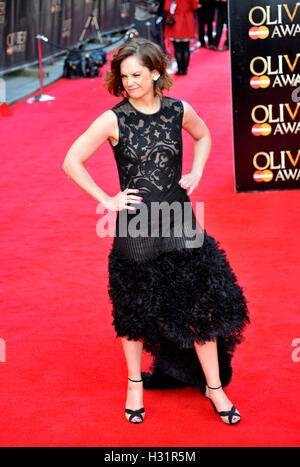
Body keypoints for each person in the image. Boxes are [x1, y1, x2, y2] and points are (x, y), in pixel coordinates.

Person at [62, 38, 249, 426]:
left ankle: (214, 386)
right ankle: (134, 384)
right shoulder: (113, 119)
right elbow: (72, 160)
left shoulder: (179, 110)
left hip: (179, 218)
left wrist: (196, 171)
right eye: (124, 76)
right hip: (137, 228)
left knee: (202, 304)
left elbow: (204, 136)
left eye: (137, 75)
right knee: (133, 311)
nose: (129, 83)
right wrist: (107, 199)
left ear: (156, 73)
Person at [164, 0, 199, 75]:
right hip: (188, 20)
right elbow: (195, 6)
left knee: (177, 48)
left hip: (176, 20)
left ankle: (180, 69)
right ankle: (185, 69)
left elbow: (167, 8)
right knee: (186, 47)